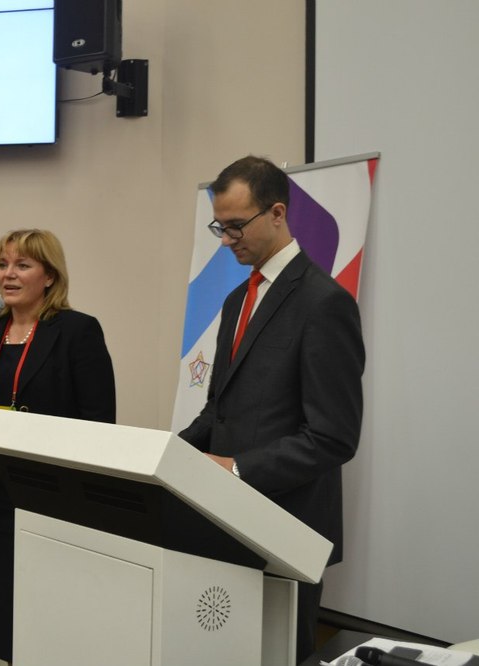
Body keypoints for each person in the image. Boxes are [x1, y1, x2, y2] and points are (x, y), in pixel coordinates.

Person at [178, 156, 365, 664]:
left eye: (236, 226)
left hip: (287, 530)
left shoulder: (324, 303)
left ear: (278, 213)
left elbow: (334, 436)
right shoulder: (237, 300)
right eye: (219, 226)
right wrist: (166, 455)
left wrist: (237, 469)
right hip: (225, 522)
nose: (226, 240)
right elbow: (217, 410)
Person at [0, 229, 116, 663]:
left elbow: (100, 423)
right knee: (2, 616)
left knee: (48, 614)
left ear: (49, 276)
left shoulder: (77, 331)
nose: (8, 274)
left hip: (52, 497)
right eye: (2, 264)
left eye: (22, 265)